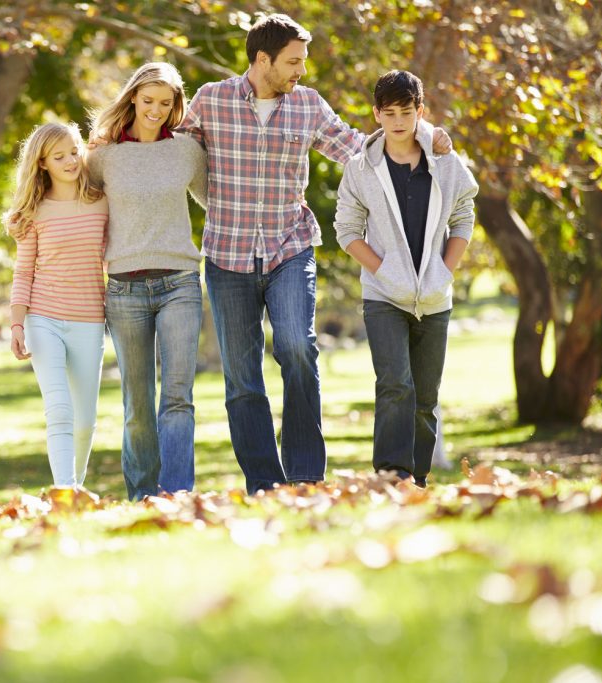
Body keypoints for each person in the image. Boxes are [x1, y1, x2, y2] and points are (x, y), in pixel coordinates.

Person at [178, 14, 451, 491]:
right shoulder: (211, 100)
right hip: (226, 254)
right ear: (263, 60)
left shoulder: (307, 105)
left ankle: (305, 476)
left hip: (290, 246)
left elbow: (360, 148)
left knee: (298, 348)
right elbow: (172, 153)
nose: (302, 70)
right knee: (242, 378)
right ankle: (264, 482)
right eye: (294, 61)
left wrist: (426, 136)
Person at [333, 69, 478, 486]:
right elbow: (347, 231)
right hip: (383, 297)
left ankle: (417, 479)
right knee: (395, 384)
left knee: (425, 397)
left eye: (407, 111)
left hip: (435, 297)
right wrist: (385, 272)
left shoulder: (445, 161)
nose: (398, 121)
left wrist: (444, 270)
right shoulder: (360, 168)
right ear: (376, 113)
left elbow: (463, 216)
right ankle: (391, 475)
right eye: (390, 112)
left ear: (420, 111)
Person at [87, 62, 207, 500]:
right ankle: (141, 495)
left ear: (177, 105)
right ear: (133, 97)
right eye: (149, 100)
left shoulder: (187, 151)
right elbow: (81, 208)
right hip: (124, 289)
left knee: (177, 396)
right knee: (137, 404)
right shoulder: (102, 157)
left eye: (166, 102)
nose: (156, 110)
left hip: (179, 283)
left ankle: (176, 494)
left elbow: (220, 200)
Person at [6, 122, 109, 488]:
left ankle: (74, 489)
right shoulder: (34, 212)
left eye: (74, 151)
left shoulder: (102, 201)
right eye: (58, 156)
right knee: (60, 411)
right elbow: (23, 272)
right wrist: (17, 324)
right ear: (42, 164)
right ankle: (64, 493)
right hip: (43, 318)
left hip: (89, 320)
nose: (69, 161)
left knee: (85, 421)